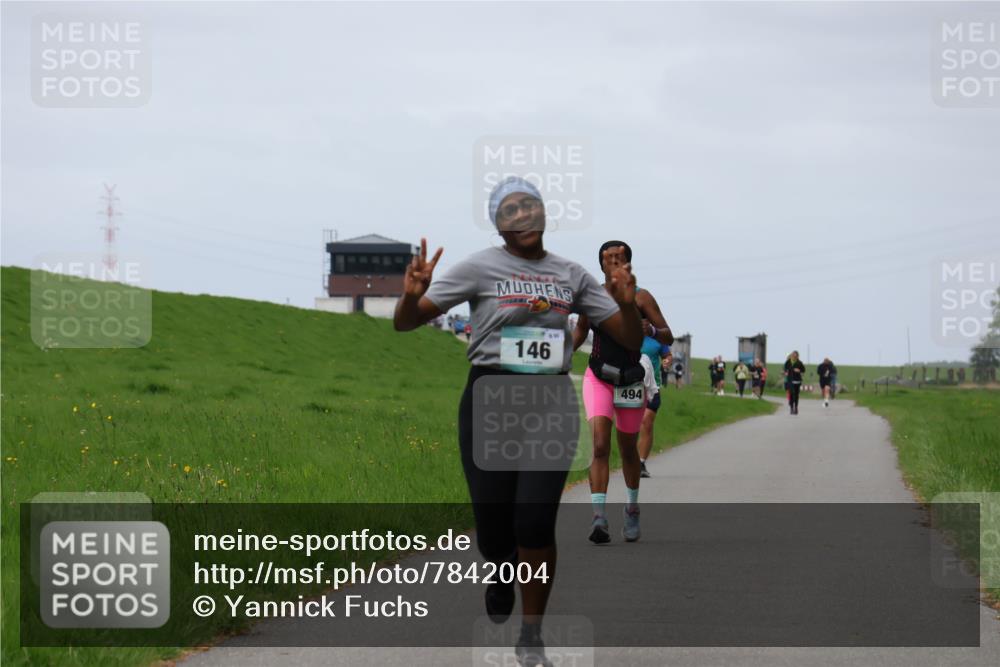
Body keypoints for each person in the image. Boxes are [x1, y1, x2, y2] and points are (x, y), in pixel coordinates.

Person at [393, 176, 642, 666]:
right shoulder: (479, 268)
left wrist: (627, 301)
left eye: (531, 206)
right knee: (493, 528)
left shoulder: (571, 274)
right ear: (498, 226)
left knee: (535, 522)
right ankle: (500, 567)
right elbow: (407, 321)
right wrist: (411, 295)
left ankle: (531, 637)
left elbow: (628, 338)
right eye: (510, 210)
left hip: (549, 401)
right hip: (490, 399)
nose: (523, 215)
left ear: (544, 214)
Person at [573, 241, 672, 544]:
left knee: (627, 448)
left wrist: (651, 331)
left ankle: (631, 508)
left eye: (619, 258)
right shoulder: (593, 297)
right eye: (608, 259)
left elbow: (668, 334)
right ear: (601, 266)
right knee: (600, 445)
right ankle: (599, 517)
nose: (613, 262)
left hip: (631, 380)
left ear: (628, 263)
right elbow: (580, 331)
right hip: (599, 376)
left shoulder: (642, 298)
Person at [638, 341, 672, 478]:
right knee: (629, 426)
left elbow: (668, 355)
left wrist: (667, 361)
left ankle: (640, 463)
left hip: (652, 387)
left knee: (646, 422)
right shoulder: (628, 330)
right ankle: (630, 460)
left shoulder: (657, 337)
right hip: (630, 387)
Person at [783, 350, 806, 415]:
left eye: (795, 356)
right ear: (792, 355)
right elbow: (785, 369)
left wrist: (799, 370)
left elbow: (803, 370)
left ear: (797, 356)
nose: (794, 356)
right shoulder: (788, 362)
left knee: (796, 395)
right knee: (792, 394)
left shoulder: (799, 363)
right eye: (793, 355)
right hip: (790, 380)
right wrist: (786, 372)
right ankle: (791, 408)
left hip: (797, 380)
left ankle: (796, 407)